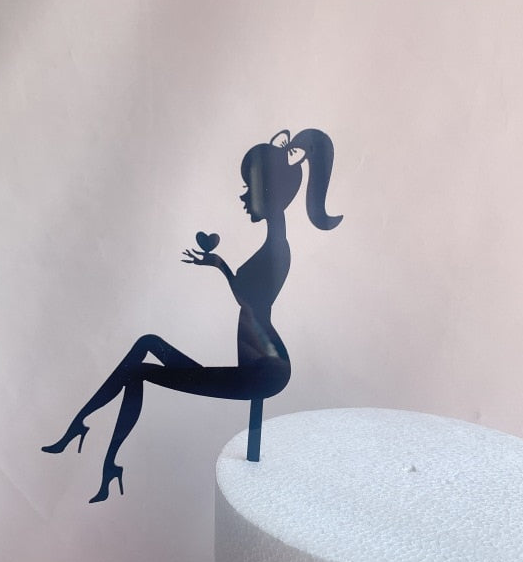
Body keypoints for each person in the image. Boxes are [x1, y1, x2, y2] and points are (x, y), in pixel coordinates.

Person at [42, 128, 342, 502]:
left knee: (139, 372)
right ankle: (84, 430)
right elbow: (249, 297)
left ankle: (100, 453)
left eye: (250, 188)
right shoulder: (274, 245)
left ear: (269, 193)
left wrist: (223, 267)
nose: (243, 197)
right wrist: (220, 265)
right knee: (148, 343)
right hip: (256, 365)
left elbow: (252, 301)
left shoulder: (278, 246)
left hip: (264, 371)